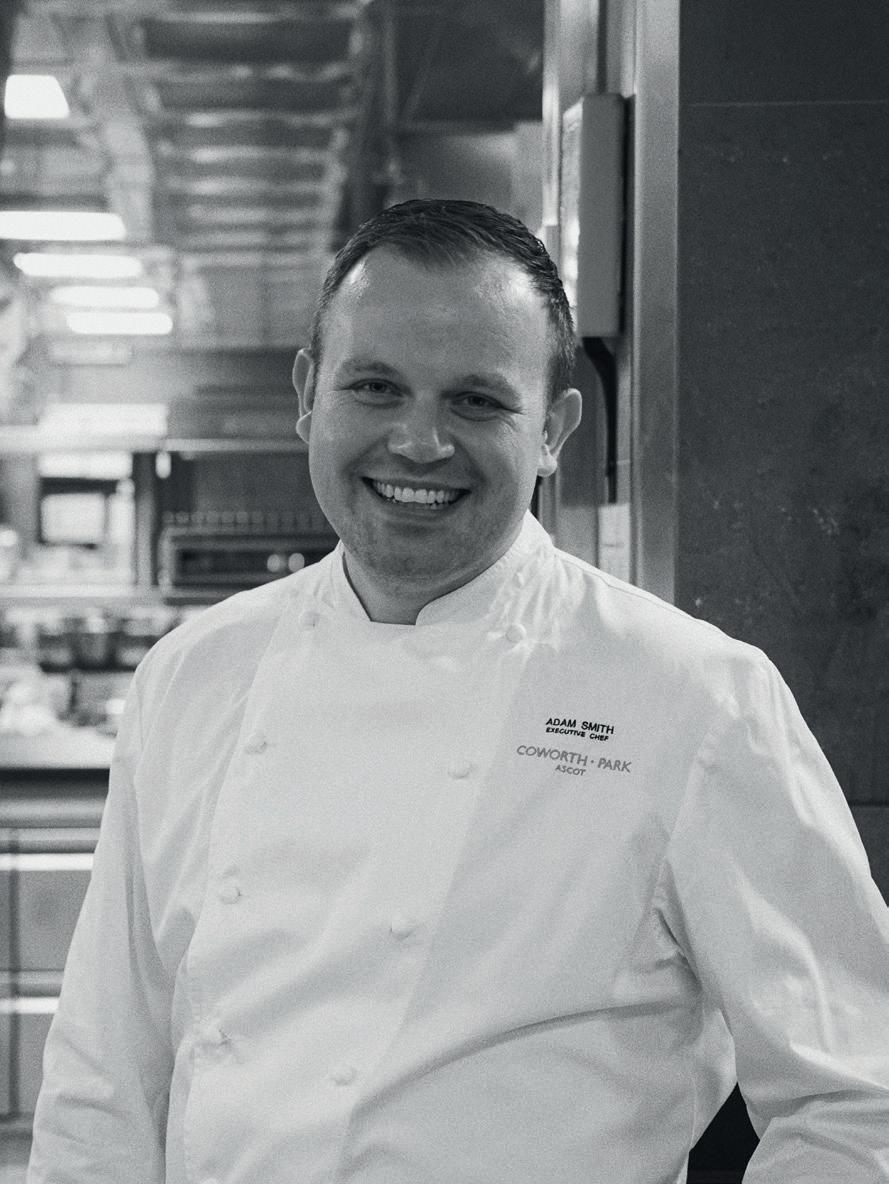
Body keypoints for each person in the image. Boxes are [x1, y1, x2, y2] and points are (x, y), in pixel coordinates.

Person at [28, 199, 889, 1184]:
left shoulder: (691, 697)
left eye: (476, 401)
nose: (418, 442)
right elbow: (104, 1081)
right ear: (308, 394)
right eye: (376, 387)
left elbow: (854, 1096)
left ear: (553, 428)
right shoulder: (193, 674)